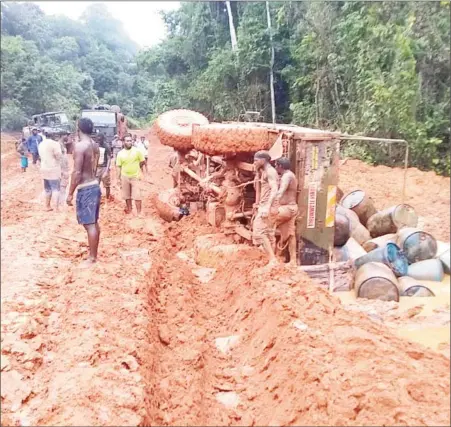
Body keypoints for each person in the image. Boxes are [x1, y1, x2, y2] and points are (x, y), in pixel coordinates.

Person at [66, 118, 101, 266]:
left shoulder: (80, 147)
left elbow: (77, 173)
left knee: (89, 224)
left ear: (78, 128)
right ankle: (93, 254)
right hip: (94, 185)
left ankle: (92, 258)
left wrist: (70, 193)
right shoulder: (94, 145)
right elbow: (96, 166)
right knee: (93, 222)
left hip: (86, 188)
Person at [252, 150, 279, 266]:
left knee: (258, 232)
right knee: (269, 234)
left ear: (263, 160)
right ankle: (272, 260)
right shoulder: (265, 171)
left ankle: (272, 259)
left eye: (256, 160)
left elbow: (274, 189)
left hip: (268, 207)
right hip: (268, 206)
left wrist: (266, 207)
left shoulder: (270, 172)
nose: (254, 162)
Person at [274, 157, 298, 266]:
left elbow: (281, 191)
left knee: (265, 223)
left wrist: (271, 202)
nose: (275, 168)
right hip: (291, 208)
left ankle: (274, 255)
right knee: (290, 234)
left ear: (280, 166)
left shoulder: (287, 176)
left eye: (276, 165)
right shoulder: (290, 175)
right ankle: (292, 260)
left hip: (287, 209)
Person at [116, 133, 145, 216]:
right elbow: (118, 167)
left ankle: (139, 213)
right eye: (127, 141)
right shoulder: (120, 154)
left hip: (135, 176)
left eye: (130, 141)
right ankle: (130, 210)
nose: (129, 142)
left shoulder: (137, 151)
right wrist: (118, 178)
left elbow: (142, 161)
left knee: (137, 195)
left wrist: (138, 169)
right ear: (123, 142)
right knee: (127, 195)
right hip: (124, 177)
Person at [38, 132, 62, 211]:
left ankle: (47, 206)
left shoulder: (41, 144)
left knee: (47, 189)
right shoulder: (55, 144)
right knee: (56, 189)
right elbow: (59, 156)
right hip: (53, 168)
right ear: (53, 135)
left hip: (44, 168)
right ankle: (56, 208)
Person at [95, 133, 112, 200]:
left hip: (104, 167)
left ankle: (108, 198)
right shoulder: (95, 146)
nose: (99, 140)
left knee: (107, 185)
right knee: (96, 185)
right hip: (97, 167)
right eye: (98, 139)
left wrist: (107, 170)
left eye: (100, 139)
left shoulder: (106, 146)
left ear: (102, 139)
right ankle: (97, 198)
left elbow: (109, 158)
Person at [58, 134, 71, 206]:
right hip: (61, 168)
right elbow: (58, 158)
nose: (68, 137)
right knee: (62, 184)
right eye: (67, 135)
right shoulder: (59, 145)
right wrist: (61, 170)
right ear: (63, 135)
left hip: (64, 167)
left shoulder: (62, 144)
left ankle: (60, 201)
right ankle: (61, 202)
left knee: (63, 184)